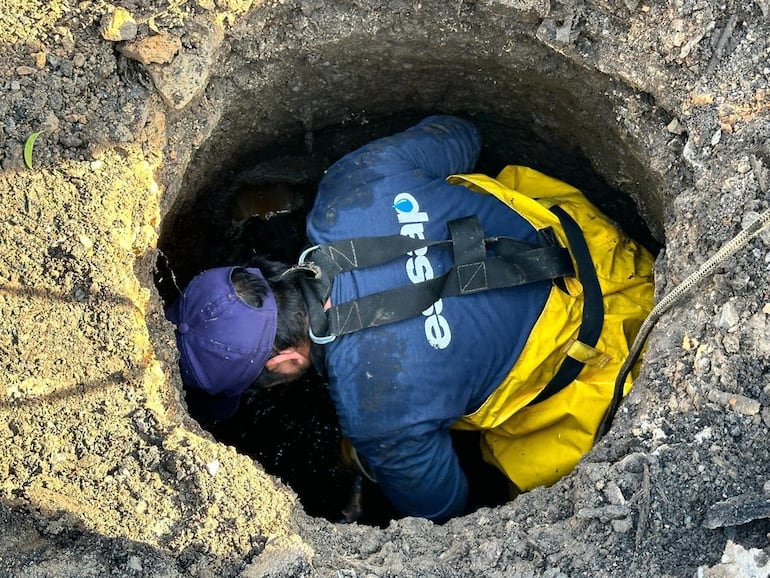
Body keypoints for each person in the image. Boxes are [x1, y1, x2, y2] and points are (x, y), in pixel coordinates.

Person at [166, 115, 655, 521]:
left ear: (283, 361)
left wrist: (374, 457)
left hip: (618, 354)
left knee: (517, 468)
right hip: (602, 251)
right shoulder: (350, 185)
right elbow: (461, 134)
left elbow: (446, 512)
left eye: (258, 383)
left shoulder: (377, 413)